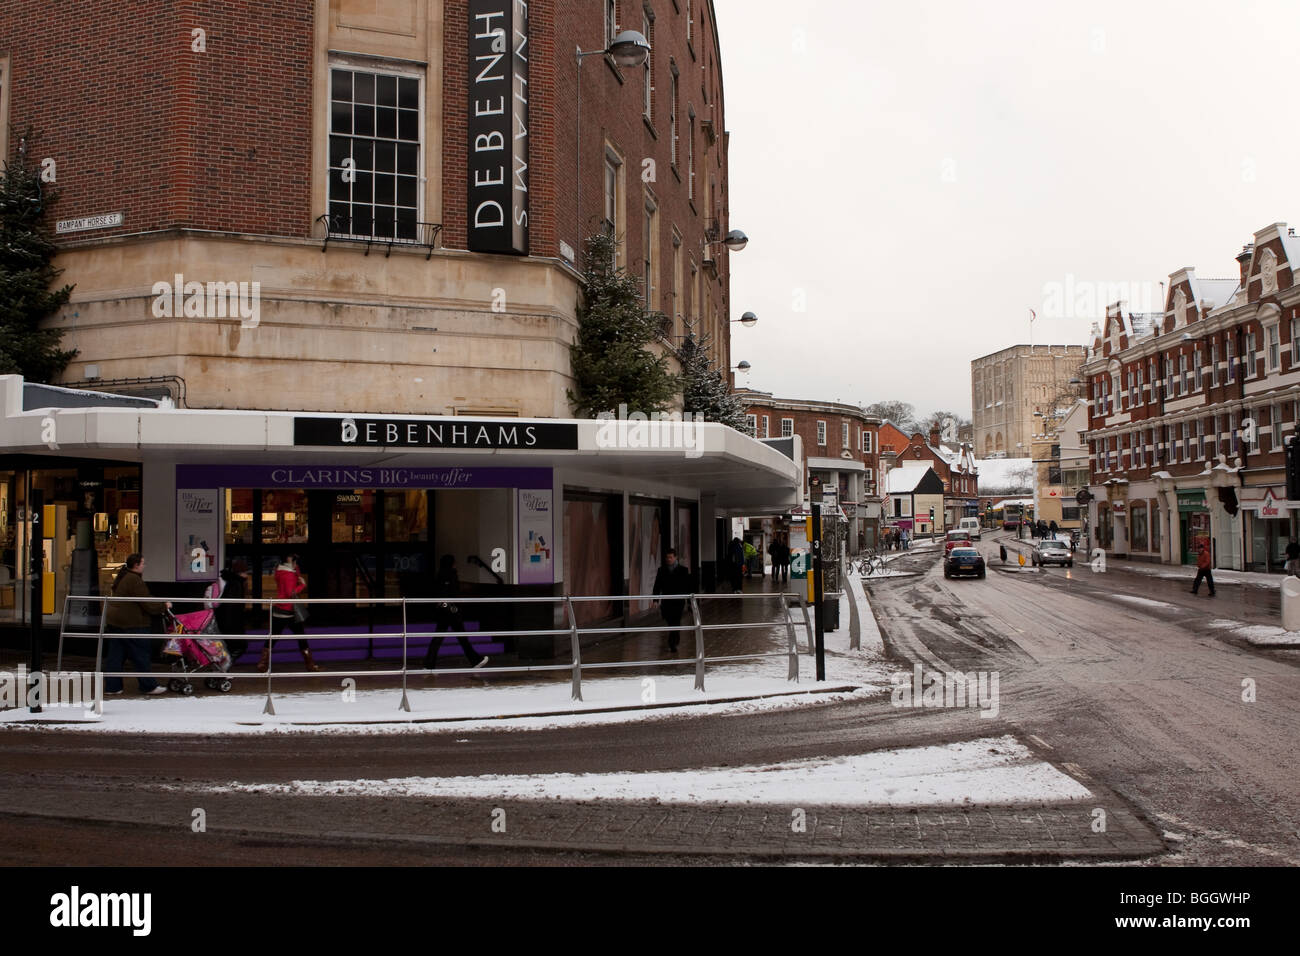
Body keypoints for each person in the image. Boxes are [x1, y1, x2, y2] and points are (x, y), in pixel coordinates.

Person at [103, 553, 170, 695]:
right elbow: (146, 603)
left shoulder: (124, 577)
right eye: (143, 563)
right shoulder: (134, 580)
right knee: (141, 655)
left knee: (116, 656)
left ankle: (113, 687)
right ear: (136, 565)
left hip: (116, 622)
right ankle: (148, 686)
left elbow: (142, 597)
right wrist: (164, 606)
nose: (144, 566)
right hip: (132, 623)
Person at [422, 554, 489, 670]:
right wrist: (454, 609)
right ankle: (475, 660)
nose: (456, 564)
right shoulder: (451, 574)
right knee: (461, 637)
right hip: (451, 612)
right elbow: (451, 593)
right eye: (454, 562)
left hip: (444, 611)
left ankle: (429, 664)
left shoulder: (439, 574)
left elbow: (440, 594)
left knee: (441, 638)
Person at [262, 553, 320, 672]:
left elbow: (295, 574)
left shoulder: (280, 571)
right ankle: (310, 665)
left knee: (273, 637)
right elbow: (290, 593)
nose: (295, 564)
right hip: (289, 610)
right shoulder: (288, 575)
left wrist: (295, 568)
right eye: (294, 561)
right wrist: (302, 585)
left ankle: (262, 663)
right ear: (290, 562)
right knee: (301, 636)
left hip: (280, 609)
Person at [652, 549, 692, 653]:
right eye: (667, 557)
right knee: (670, 621)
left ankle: (673, 642)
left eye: (671, 557)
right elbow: (657, 586)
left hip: (678, 602)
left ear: (675, 557)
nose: (669, 559)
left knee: (676, 621)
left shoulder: (683, 570)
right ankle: (674, 638)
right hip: (666, 602)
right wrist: (655, 600)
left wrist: (689, 601)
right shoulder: (662, 570)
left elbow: (688, 586)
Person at [212, 558, 250, 662]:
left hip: (227, 622)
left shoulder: (232, 581)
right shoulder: (236, 584)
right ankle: (223, 666)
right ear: (241, 572)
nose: (247, 575)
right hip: (231, 624)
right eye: (246, 572)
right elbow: (232, 607)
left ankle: (221, 669)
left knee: (230, 647)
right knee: (240, 646)